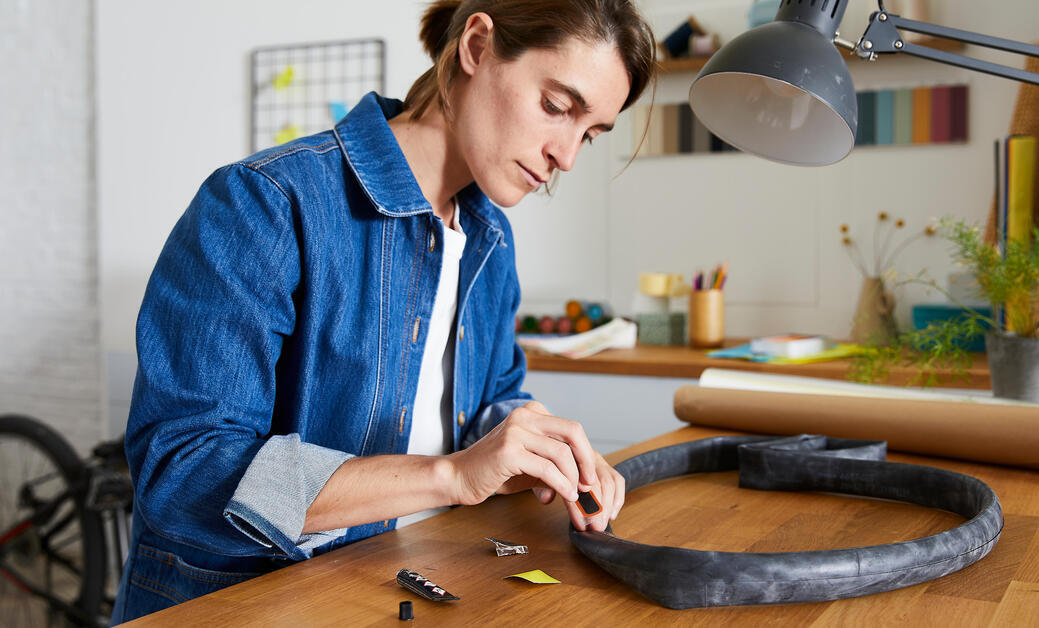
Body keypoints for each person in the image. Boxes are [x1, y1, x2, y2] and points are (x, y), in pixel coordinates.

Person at [111, 0, 656, 621]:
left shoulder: (489, 239)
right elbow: (182, 472)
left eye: (589, 133)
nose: (567, 156)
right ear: (476, 47)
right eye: (557, 107)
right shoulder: (264, 204)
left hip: (410, 589)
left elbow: (485, 402)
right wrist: (451, 476)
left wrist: (534, 445)